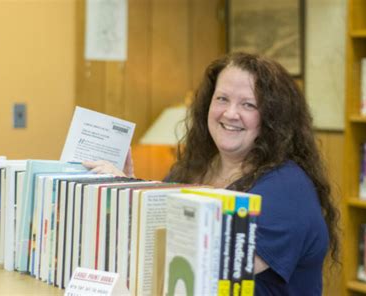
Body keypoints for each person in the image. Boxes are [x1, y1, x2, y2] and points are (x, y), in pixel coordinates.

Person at [83, 52, 340, 295]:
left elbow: (197, 271)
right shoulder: (191, 167)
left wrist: (136, 199)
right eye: (222, 98)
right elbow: (156, 243)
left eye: (248, 104)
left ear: (272, 118)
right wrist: (131, 193)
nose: (230, 113)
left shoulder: (287, 189)